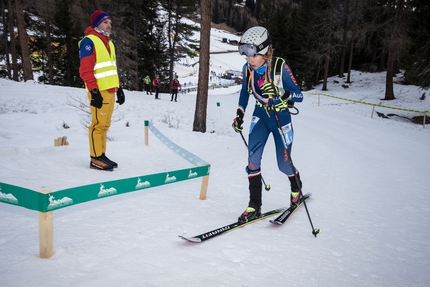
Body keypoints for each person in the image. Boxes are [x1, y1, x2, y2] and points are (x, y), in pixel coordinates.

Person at [232, 26, 304, 223]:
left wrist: (281, 93)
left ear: (263, 51)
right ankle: (254, 205)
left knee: (283, 164)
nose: (248, 58)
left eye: (251, 52)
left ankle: (296, 187)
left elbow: (299, 95)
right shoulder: (248, 69)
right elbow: (245, 93)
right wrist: (239, 113)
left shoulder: (280, 67)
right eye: (244, 52)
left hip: (281, 118)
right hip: (260, 117)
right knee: (252, 161)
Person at [79, 10, 125, 171]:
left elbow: (112, 68)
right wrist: (94, 90)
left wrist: (119, 88)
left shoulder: (109, 43)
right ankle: (95, 158)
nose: (109, 25)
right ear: (97, 23)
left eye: (110, 22)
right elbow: (85, 69)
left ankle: (101, 154)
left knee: (105, 125)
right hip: (98, 90)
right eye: (105, 22)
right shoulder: (89, 41)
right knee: (97, 125)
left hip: (110, 90)